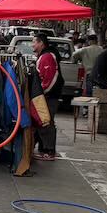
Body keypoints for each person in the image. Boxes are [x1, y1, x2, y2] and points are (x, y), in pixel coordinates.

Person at [31, 32, 63, 161]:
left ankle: (49, 151)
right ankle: (43, 148)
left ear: (41, 43)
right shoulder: (44, 56)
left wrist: (41, 93)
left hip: (48, 96)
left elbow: (49, 79)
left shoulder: (47, 57)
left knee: (46, 121)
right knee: (42, 121)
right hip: (46, 95)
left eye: (34, 41)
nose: (32, 44)